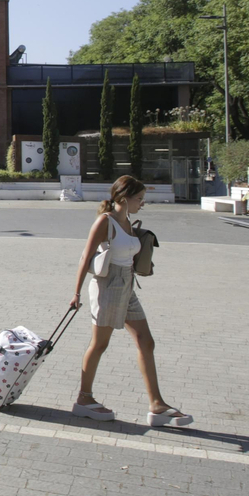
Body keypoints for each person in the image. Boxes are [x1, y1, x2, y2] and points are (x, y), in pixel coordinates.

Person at [68, 175, 193, 427]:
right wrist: (76, 293)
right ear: (124, 199)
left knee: (146, 342)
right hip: (108, 286)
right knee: (99, 345)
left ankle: (156, 405)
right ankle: (84, 399)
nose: (143, 203)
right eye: (139, 199)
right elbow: (85, 257)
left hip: (127, 285)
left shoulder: (127, 222)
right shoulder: (106, 222)